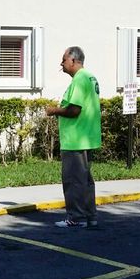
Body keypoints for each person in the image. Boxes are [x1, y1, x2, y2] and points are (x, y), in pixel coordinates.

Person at [45, 46, 102, 228]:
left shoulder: (79, 79)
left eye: (63, 60)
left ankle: (75, 217)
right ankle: (90, 216)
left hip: (75, 138)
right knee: (85, 180)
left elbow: (74, 110)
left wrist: (54, 110)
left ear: (73, 60)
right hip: (86, 136)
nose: (61, 64)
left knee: (73, 181)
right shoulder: (90, 77)